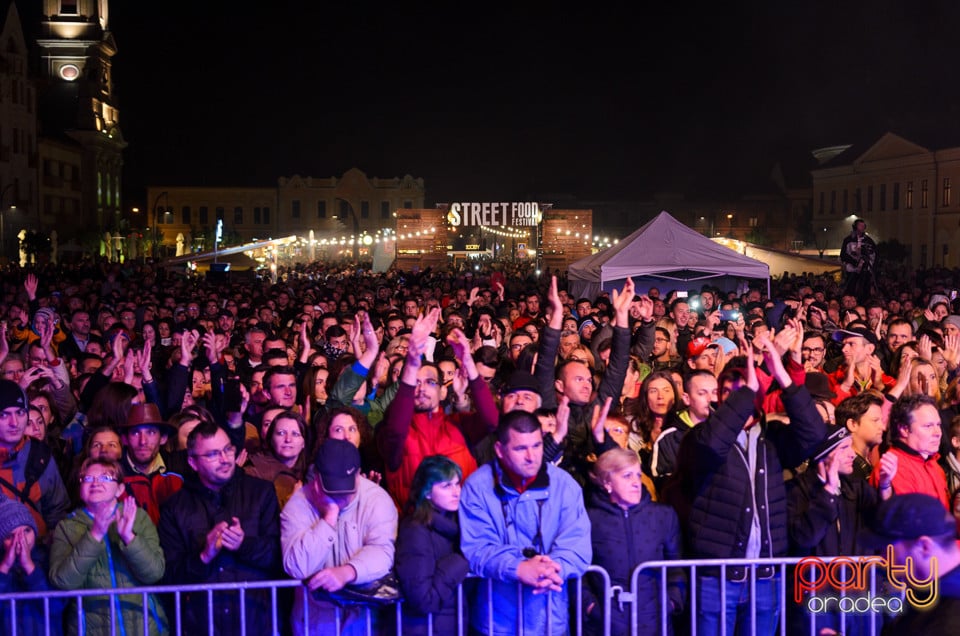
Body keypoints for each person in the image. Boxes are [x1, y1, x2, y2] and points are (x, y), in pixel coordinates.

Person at [674, 334, 826, 635]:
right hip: (717, 578)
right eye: (727, 392)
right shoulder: (701, 438)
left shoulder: (773, 440)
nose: (734, 398)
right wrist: (750, 389)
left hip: (765, 577)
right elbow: (712, 446)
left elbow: (813, 435)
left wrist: (783, 377)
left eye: (741, 391)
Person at [459, 410, 592, 635]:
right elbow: (477, 547)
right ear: (500, 450)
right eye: (521, 448)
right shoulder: (477, 486)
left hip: (551, 621)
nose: (532, 456)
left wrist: (551, 570)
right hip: (496, 624)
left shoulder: (564, 485)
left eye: (537, 445)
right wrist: (518, 568)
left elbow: (577, 545)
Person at [159, 420, 281, 635]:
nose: (225, 459)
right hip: (201, 625)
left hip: (256, 622)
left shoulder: (261, 493)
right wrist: (204, 556)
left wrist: (244, 545)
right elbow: (168, 576)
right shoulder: (175, 507)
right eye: (213, 454)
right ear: (193, 463)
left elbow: (279, 557)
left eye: (227, 449)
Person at [280, 438, 397, 636]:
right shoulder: (298, 504)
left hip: (363, 620)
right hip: (314, 621)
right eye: (333, 490)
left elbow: (382, 551)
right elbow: (296, 566)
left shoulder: (377, 500)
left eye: (347, 490)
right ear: (316, 480)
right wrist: (328, 518)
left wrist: (347, 572)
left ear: (359, 476)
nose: (341, 497)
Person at [49, 458, 168, 635]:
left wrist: (129, 537)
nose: (95, 483)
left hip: (143, 626)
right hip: (91, 629)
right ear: (80, 488)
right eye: (88, 479)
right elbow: (62, 581)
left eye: (105, 478)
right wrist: (94, 535)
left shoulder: (138, 517)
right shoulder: (67, 527)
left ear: (120, 488)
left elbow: (154, 573)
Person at [586, 448, 683, 635]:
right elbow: (580, 572)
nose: (636, 483)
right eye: (627, 476)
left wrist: (672, 602)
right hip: (605, 626)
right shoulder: (589, 519)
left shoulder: (663, 515)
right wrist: (590, 607)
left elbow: (676, 566)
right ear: (607, 481)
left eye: (638, 475)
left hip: (656, 625)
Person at [859, 493, 960, 635]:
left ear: (925, 547)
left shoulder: (947, 621)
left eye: (887, 549)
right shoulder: (928, 595)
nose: (883, 558)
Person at [395, 455, 470, 636]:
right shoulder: (415, 530)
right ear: (427, 492)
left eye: (457, 483)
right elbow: (423, 599)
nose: (456, 492)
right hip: (426, 629)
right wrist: (461, 559)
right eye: (446, 486)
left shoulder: (457, 525)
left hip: (450, 626)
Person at [0, 379, 70, 540]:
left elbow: (57, 510)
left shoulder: (39, 454)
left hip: (37, 555)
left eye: (20, 413)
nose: (14, 423)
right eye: (4, 415)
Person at [870, 394, 950, 509]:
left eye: (938, 425)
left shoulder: (933, 465)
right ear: (904, 430)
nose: (938, 433)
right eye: (928, 426)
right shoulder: (892, 469)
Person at [0, 496, 62, 635]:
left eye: (26, 531)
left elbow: (55, 607)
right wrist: (4, 566)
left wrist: (29, 567)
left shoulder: (48, 559)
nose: (21, 540)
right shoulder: (2, 567)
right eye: (10, 536)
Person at [118, 402, 185, 524]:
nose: (143, 441)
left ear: (163, 438)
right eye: (135, 433)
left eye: (151, 432)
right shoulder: (115, 473)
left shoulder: (179, 466)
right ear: (125, 439)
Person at [243, 409, 310, 508]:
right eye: (281, 433)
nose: (288, 439)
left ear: (304, 442)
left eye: (295, 434)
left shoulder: (310, 474)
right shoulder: (254, 472)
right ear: (271, 439)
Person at [840, 219, 877, 303]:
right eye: (860, 225)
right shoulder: (848, 240)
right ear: (855, 227)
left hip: (865, 270)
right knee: (851, 288)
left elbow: (874, 254)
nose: (862, 228)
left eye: (863, 226)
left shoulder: (868, 241)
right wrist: (854, 262)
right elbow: (843, 255)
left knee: (865, 289)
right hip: (852, 270)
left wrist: (870, 266)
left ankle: (864, 303)